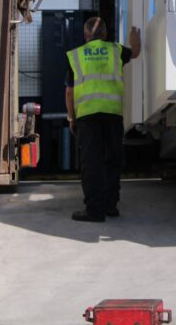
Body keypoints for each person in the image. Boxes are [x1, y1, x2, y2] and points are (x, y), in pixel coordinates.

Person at [65, 17, 140, 222]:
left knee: (91, 163)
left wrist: (71, 118)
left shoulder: (76, 56)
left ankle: (94, 210)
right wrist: (136, 36)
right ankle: (110, 206)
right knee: (112, 160)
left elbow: (70, 93)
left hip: (87, 117)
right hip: (112, 114)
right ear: (105, 35)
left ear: (85, 35)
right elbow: (135, 51)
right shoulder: (116, 50)